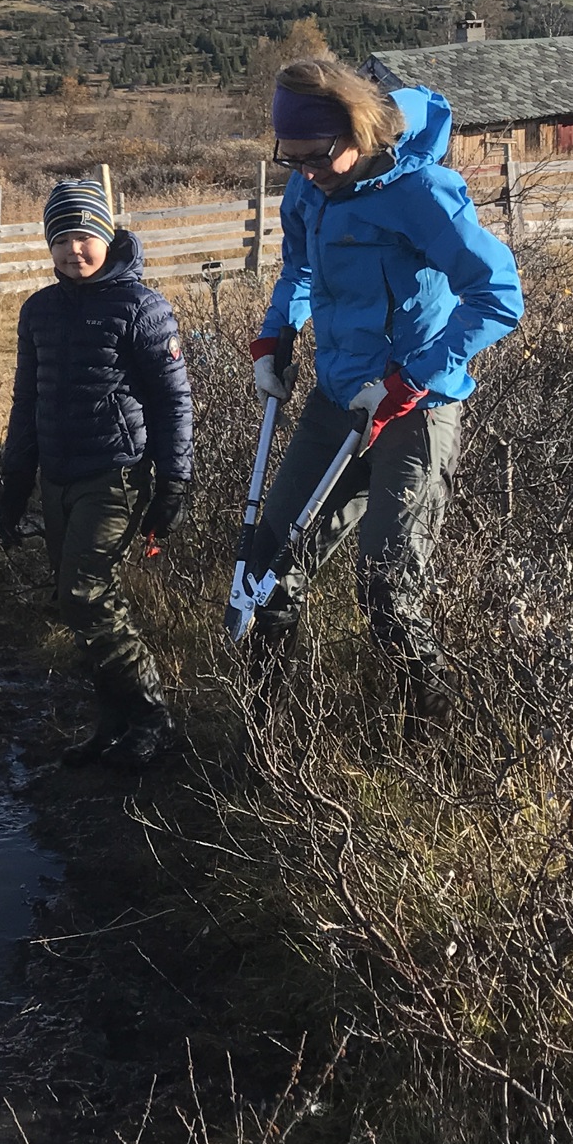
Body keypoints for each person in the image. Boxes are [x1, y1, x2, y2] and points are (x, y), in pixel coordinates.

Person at [242, 54, 523, 686]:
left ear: (360, 133)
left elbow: (498, 296)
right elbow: (299, 270)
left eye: (318, 156)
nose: (306, 173)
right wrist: (274, 336)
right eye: (292, 158)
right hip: (336, 401)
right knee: (269, 569)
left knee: (388, 592)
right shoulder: (309, 188)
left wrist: (412, 379)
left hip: (414, 411)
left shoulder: (423, 194)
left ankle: (430, 727)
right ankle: (263, 731)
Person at [0, 178, 195, 769]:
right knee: (73, 600)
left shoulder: (142, 307)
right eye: (60, 239)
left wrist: (173, 482)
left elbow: (173, 402)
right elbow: (26, 402)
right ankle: (114, 723)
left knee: (86, 596)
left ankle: (153, 719)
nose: (72, 250)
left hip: (116, 475)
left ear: (106, 236)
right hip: (57, 475)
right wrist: (14, 486)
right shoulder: (38, 310)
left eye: (83, 236)